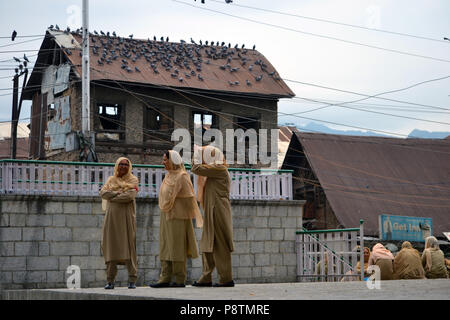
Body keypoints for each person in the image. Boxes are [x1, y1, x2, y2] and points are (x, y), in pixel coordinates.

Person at [150, 150, 202, 288]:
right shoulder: (168, 176)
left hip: (179, 216)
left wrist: (175, 202)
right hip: (166, 215)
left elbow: (190, 197)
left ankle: (180, 279)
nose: (163, 162)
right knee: (165, 245)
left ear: (173, 160)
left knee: (177, 247)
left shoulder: (182, 176)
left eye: (165, 160)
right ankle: (165, 277)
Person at [191, 145, 235, 287]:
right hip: (212, 210)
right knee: (207, 243)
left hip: (218, 210)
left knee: (220, 244)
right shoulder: (215, 170)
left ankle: (226, 278)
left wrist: (197, 154)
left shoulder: (219, 168)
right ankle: (206, 277)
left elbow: (196, 168)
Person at [100, 157, 139, 289]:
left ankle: (132, 279)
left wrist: (113, 196)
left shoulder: (133, 180)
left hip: (127, 218)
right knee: (111, 247)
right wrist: (119, 192)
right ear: (117, 165)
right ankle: (110, 280)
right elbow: (103, 193)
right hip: (111, 219)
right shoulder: (111, 180)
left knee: (128, 247)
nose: (123, 167)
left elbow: (129, 196)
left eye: (126, 165)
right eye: (121, 164)